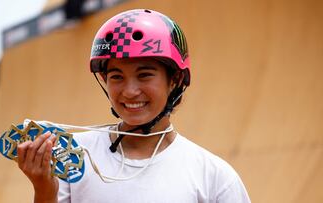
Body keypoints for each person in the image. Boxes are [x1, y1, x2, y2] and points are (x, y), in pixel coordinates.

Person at [17, 9, 251, 203]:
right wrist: (44, 190)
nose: (129, 91)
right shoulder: (74, 155)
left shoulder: (214, 178)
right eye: (116, 76)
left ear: (175, 80)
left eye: (145, 75)